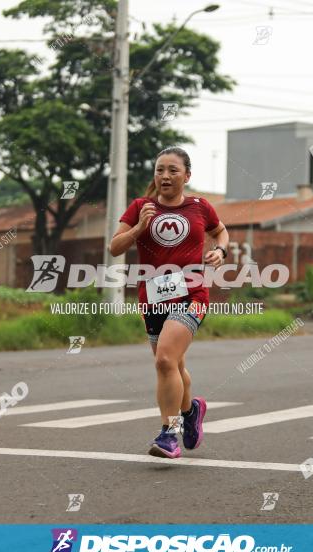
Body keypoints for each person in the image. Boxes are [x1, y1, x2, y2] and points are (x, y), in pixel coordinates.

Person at [110, 146, 229, 458]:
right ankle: (191, 410)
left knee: (164, 359)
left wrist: (221, 251)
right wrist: (139, 228)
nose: (165, 175)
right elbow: (114, 248)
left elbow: (221, 232)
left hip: (192, 294)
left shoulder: (201, 207)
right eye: (160, 169)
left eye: (172, 170)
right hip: (153, 298)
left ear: (186, 176)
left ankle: (169, 433)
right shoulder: (140, 207)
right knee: (173, 364)